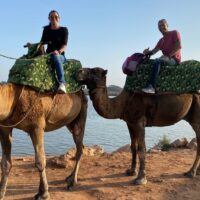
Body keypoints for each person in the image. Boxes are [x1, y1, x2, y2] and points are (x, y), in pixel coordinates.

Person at [142, 19, 182, 94]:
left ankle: (151, 87)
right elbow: (154, 51)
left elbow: (178, 46)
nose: (161, 27)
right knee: (149, 62)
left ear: (167, 25)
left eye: (163, 25)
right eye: (159, 26)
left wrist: (169, 56)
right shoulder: (161, 41)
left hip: (173, 59)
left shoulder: (174, 33)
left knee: (157, 61)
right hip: (165, 59)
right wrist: (147, 52)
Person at [40, 10, 68, 94]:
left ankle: (62, 83)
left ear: (59, 18)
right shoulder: (46, 29)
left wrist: (58, 51)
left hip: (60, 56)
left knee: (56, 57)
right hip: (48, 55)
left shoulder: (64, 30)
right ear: (49, 19)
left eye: (56, 17)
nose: (54, 18)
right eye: (52, 17)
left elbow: (64, 45)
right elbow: (41, 43)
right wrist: (33, 46)